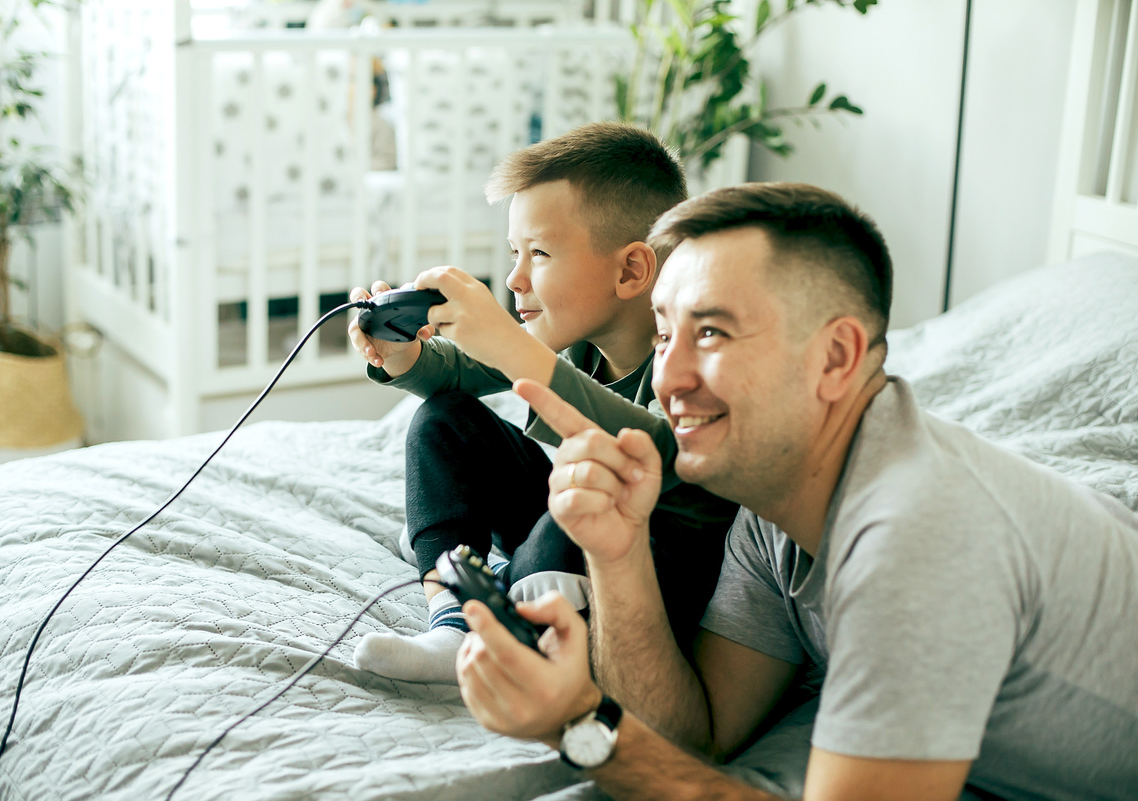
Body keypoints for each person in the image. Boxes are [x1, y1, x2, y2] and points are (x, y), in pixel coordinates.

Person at [455, 183, 1138, 800]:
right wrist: (617, 552)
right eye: (665, 335)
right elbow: (701, 732)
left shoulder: (918, 537)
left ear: (836, 358)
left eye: (712, 331)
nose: (669, 378)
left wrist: (579, 722)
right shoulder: (774, 504)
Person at [347, 122, 738, 684]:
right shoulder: (573, 335)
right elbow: (461, 371)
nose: (514, 278)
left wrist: (510, 345)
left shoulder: (691, 358)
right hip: (584, 528)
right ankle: (455, 623)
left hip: (651, 555)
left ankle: (515, 614)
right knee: (442, 420)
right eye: (514, 253)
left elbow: (654, 455)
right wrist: (402, 353)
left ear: (630, 270)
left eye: (540, 253)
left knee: (567, 514)